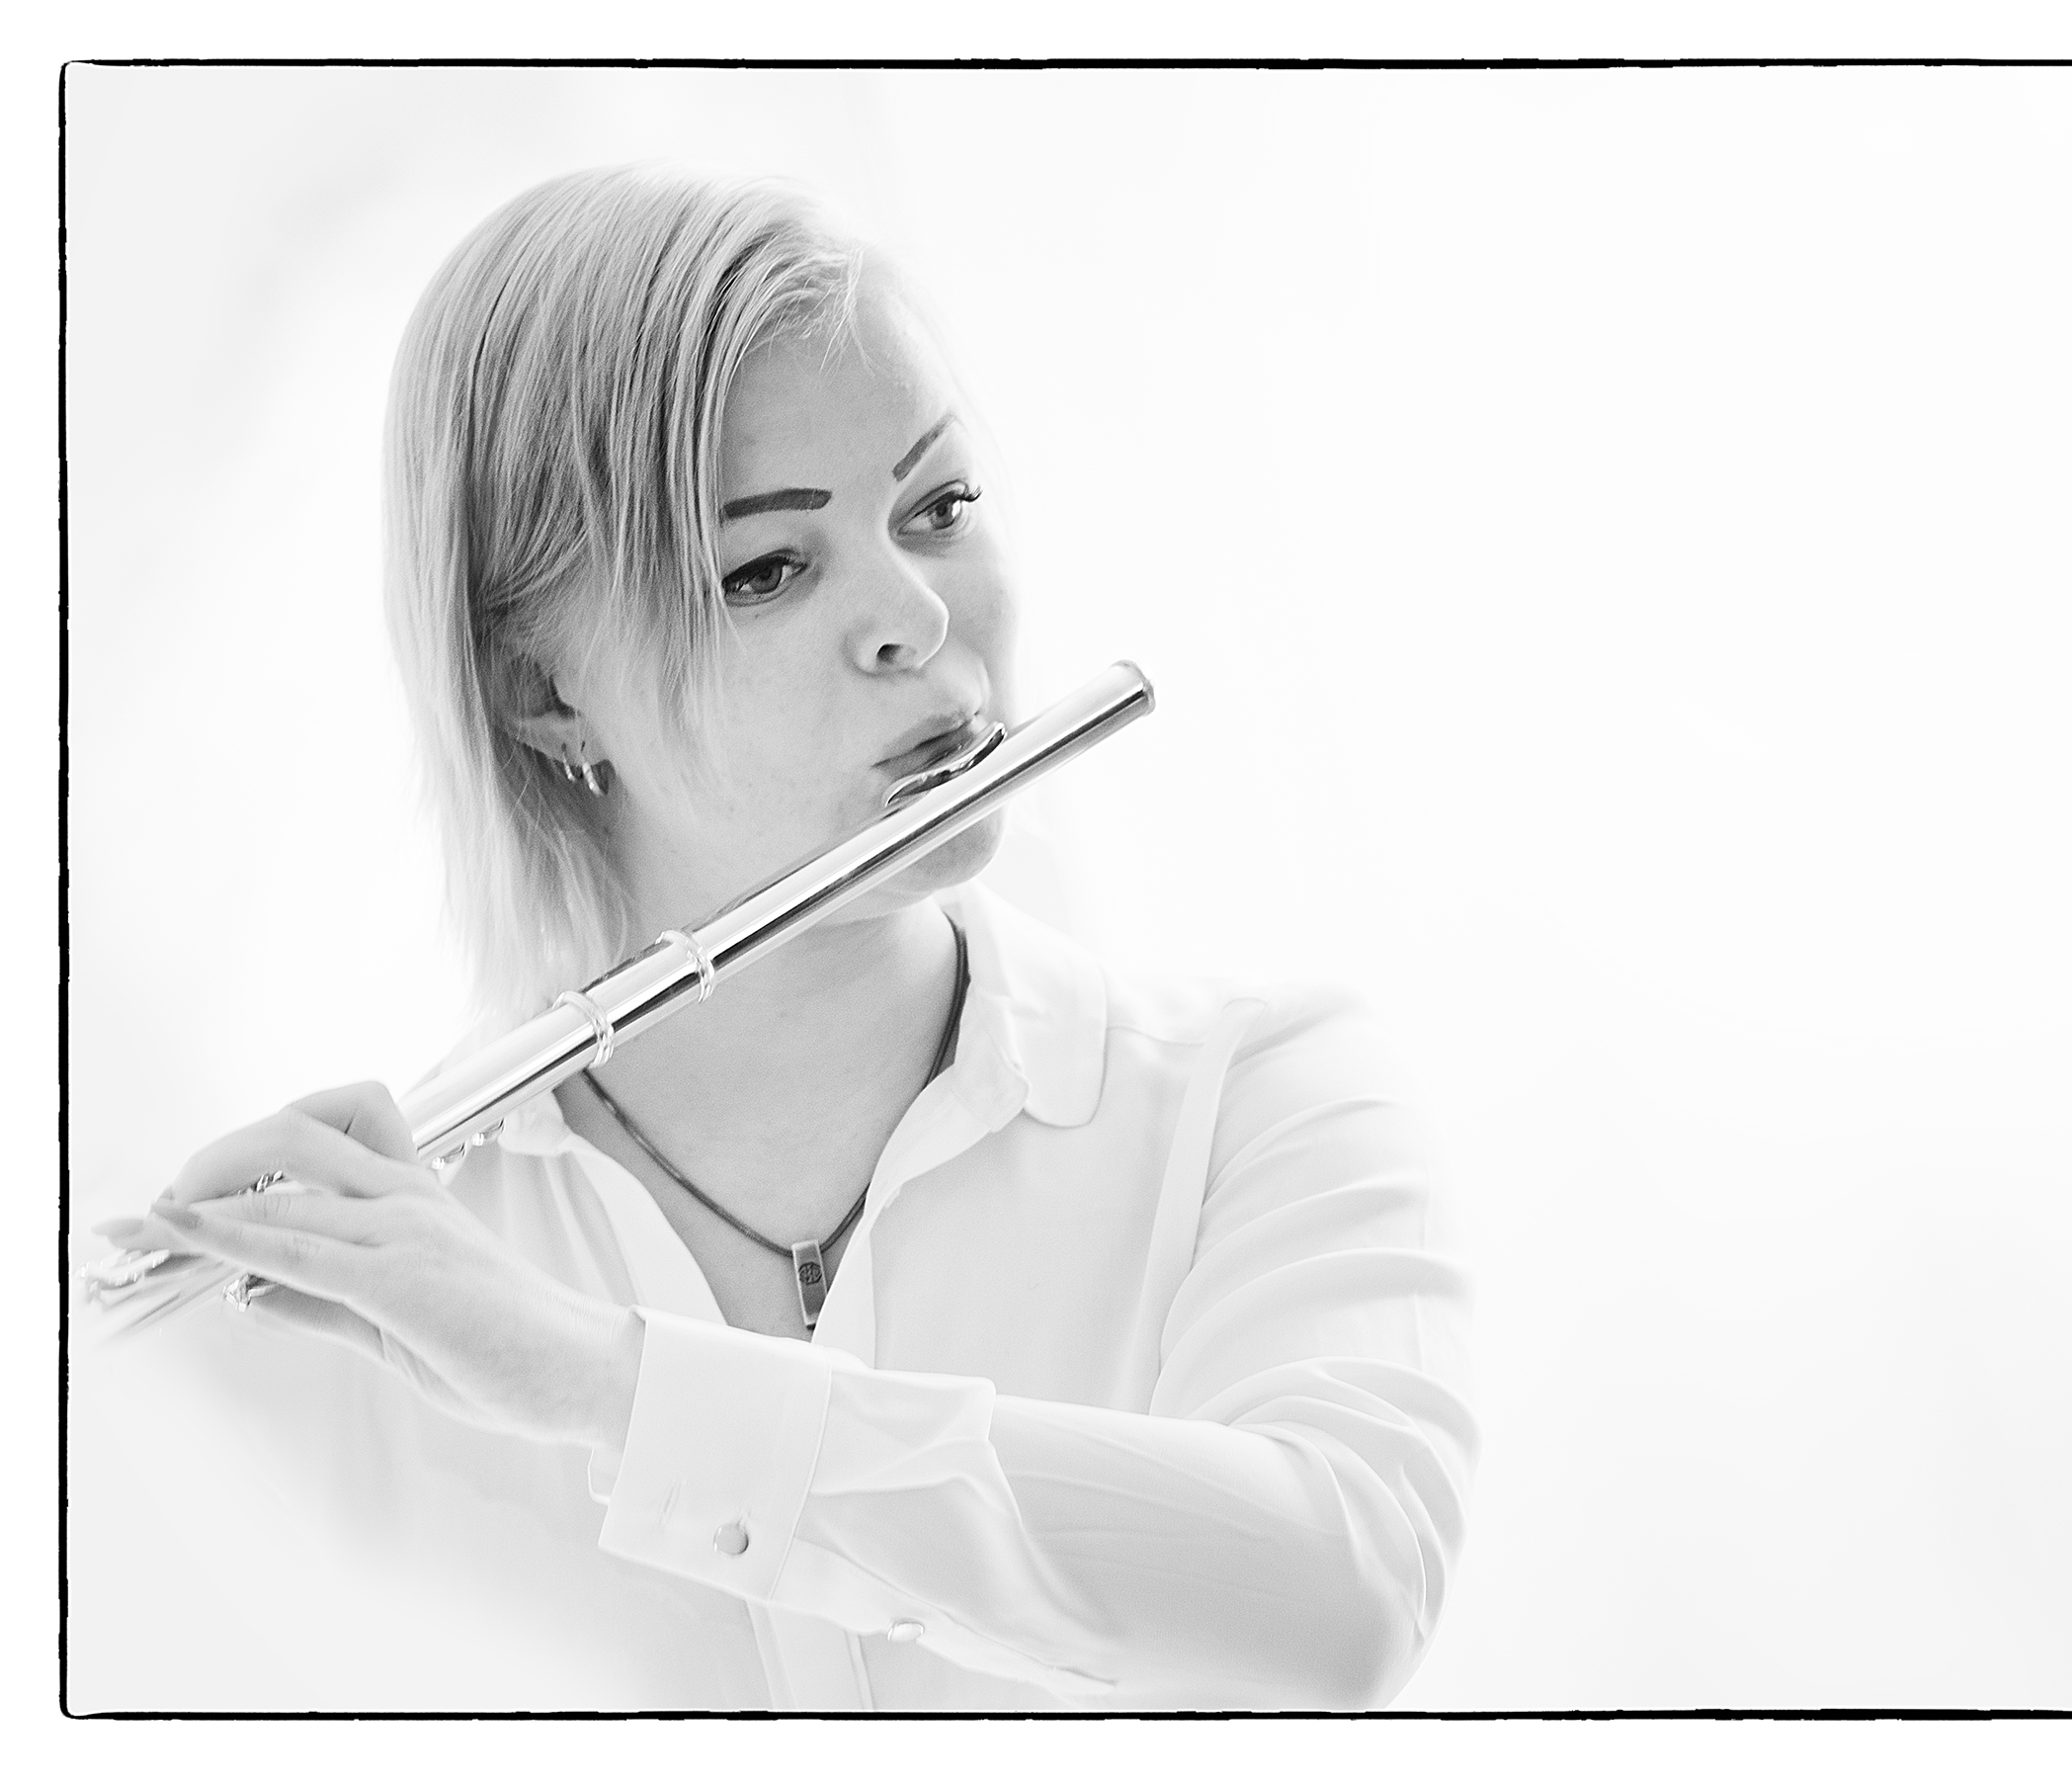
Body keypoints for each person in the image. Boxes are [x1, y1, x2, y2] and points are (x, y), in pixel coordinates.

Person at [82, 163, 1477, 1713]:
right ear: (544, 694)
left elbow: (1340, 1600)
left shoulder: (1259, 1102)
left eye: (938, 509)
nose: (916, 618)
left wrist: (607, 1386)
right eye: (765, 569)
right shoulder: (359, 1312)